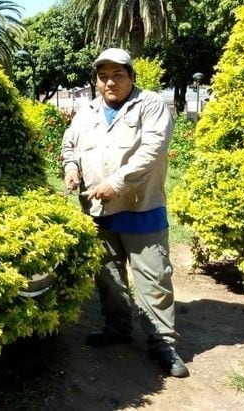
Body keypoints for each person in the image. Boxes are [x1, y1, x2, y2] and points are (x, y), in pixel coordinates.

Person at [61, 48, 188, 378]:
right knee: (108, 277)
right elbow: (69, 147)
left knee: (154, 279)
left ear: (131, 77)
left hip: (140, 208)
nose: (110, 82)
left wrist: (117, 182)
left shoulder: (150, 105)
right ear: (96, 81)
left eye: (118, 75)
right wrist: (72, 169)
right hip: (97, 211)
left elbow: (152, 150)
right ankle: (117, 328)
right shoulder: (86, 113)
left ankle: (162, 344)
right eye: (103, 76)